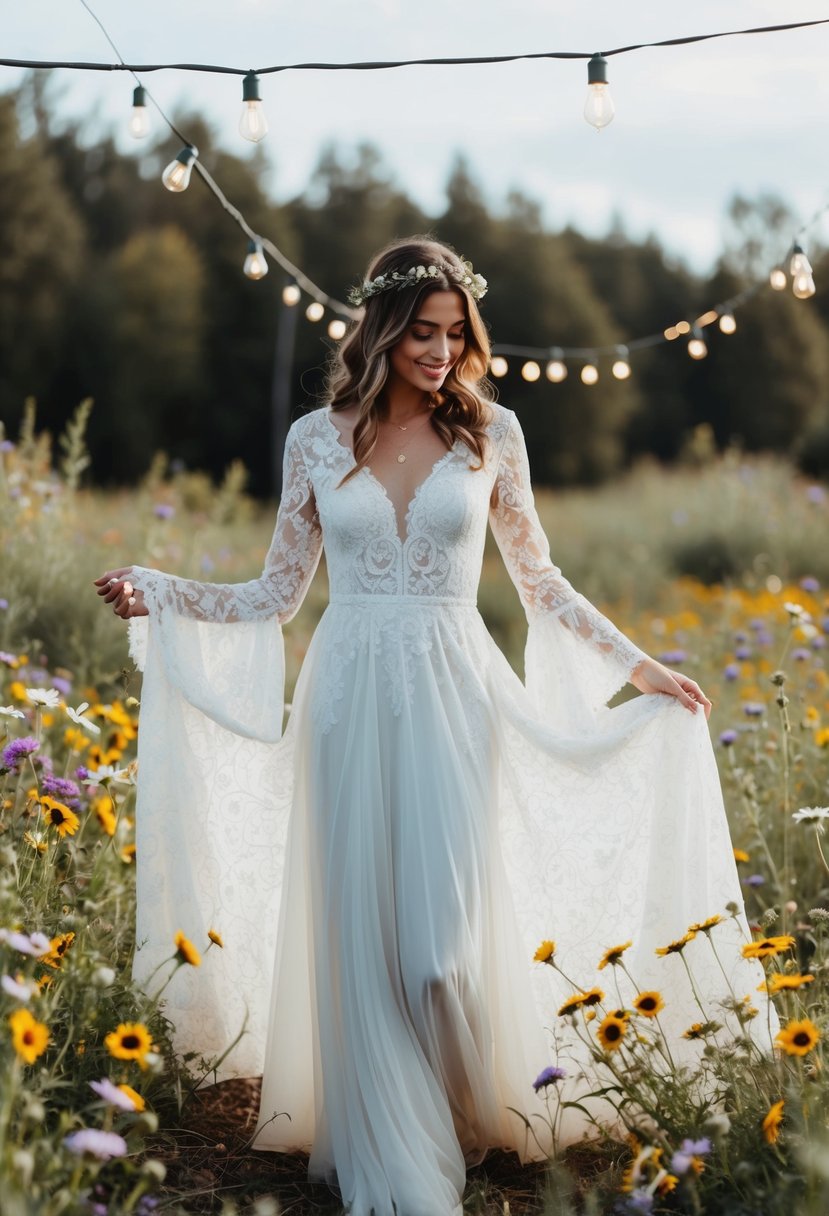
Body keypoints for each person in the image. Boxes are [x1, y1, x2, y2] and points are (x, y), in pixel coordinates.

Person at [95, 236, 770, 1216]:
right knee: (365, 940)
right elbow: (276, 595)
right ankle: (396, 1155)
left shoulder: (491, 433)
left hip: (457, 697)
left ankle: (464, 1106)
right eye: (422, 332)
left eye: (454, 335)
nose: (440, 352)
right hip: (346, 701)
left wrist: (641, 667)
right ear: (379, 330)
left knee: (436, 956)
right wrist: (158, 591)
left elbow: (539, 584)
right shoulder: (314, 441)